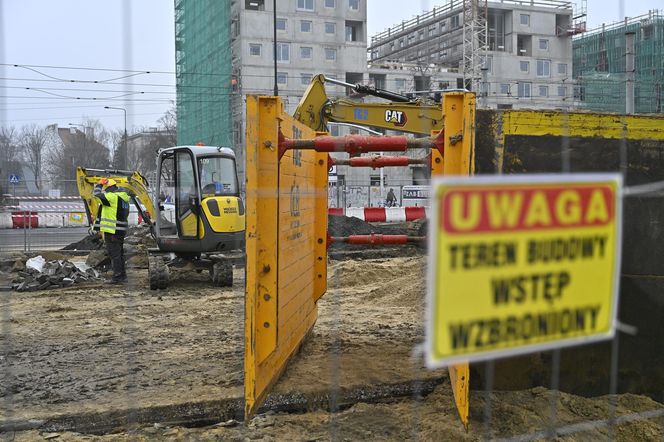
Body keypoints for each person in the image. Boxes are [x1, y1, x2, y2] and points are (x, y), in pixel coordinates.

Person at [93, 178, 131, 284]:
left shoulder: (111, 197)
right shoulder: (124, 198)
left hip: (112, 230)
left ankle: (118, 277)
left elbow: (96, 195)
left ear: (109, 188)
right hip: (120, 230)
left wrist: (99, 185)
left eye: (106, 188)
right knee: (119, 254)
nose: (105, 191)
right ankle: (122, 276)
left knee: (114, 254)